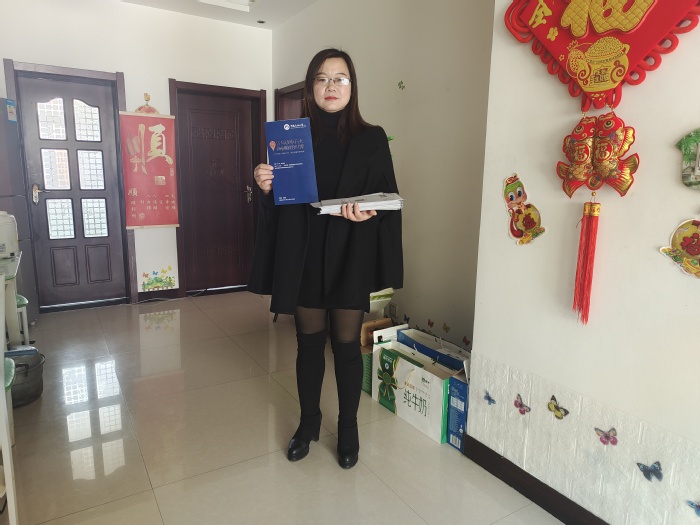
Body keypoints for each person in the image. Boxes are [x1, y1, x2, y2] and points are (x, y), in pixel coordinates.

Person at [248, 48, 403, 469]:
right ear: (310, 87)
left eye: (340, 78)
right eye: (322, 78)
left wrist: (368, 214)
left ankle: (348, 428)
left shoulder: (371, 138)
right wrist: (265, 188)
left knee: (347, 345)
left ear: (352, 87)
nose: (331, 86)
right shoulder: (291, 138)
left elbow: (388, 198)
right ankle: (309, 424)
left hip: (350, 252)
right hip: (305, 255)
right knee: (309, 343)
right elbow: (282, 204)